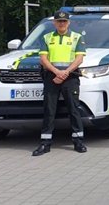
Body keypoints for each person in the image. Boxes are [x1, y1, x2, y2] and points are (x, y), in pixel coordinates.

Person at [32, 10, 87, 156]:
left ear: (68, 23)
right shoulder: (47, 37)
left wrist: (65, 72)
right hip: (52, 77)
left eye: (64, 21)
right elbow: (43, 59)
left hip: (71, 77)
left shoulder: (77, 38)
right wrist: (57, 72)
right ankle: (45, 143)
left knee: (74, 109)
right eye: (58, 21)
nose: (61, 23)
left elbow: (79, 59)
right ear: (54, 23)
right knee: (49, 110)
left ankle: (78, 141)